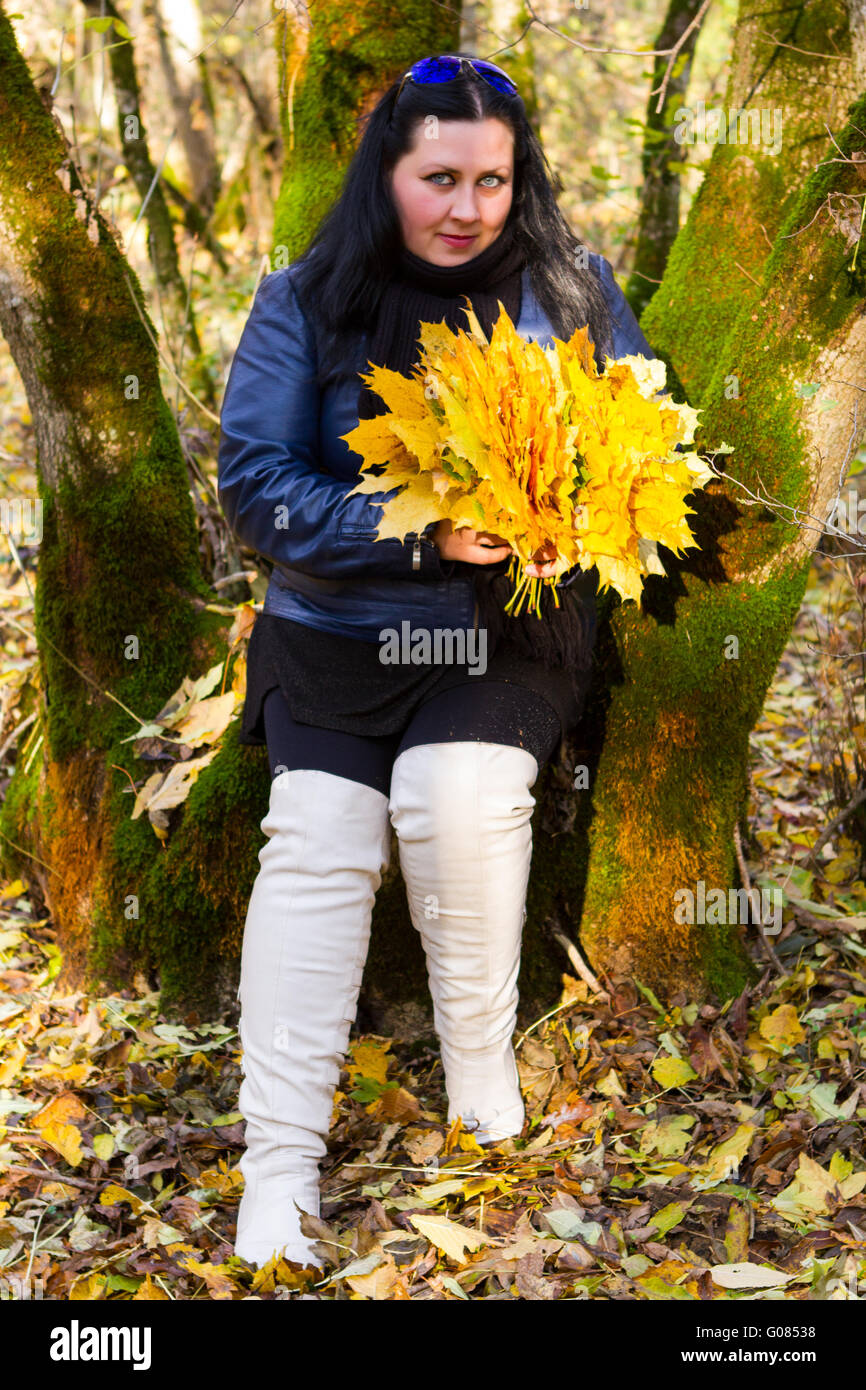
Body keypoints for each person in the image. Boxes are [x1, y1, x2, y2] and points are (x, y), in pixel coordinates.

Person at [217, 52, 655, 1271]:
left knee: (452, 797)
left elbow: (636, 434)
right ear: (387, 174)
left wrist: (585, 508)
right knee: (319, 840)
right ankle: (279, 1170)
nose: (467, 207)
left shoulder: (568, 288)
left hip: (504, 636)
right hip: (332, 638)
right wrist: (414, 531)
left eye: (493, 180)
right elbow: (255, 489)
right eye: (439, 177)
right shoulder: (302, 299)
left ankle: (477, 1072)